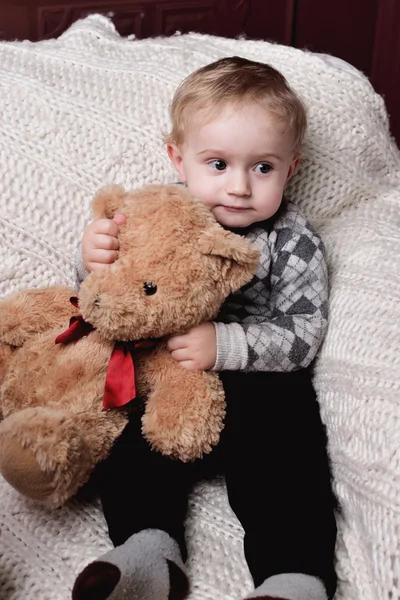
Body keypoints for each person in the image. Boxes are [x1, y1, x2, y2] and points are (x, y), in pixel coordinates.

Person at [72, 56, 337, 600]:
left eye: (262, 167)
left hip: (257, 389)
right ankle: (147, 549)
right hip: (165, 379)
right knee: (122, 426)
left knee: (291, 447)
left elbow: (304, 333)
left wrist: (227, 345)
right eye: (218, 163)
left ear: (291, 169)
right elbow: (112, 296)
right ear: (179, 158)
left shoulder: (292, 240)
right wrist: (92, 258)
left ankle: (291, 574)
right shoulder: (151, 216)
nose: (239, 186)